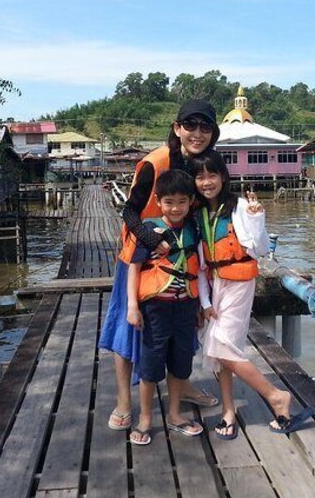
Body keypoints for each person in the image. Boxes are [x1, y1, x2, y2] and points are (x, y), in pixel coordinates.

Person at [99, 99, 220, 432]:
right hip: (142, 257)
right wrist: (151, 241)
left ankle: (185, 387)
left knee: (183, 330)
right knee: (129, 329)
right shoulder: (156, 162)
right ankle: (125, 401)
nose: (197, 133)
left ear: (213, 132)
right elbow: (129, 212)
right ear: (177, 127)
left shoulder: (204, 165)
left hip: (184, 261)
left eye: (205, 127)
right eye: (190, 125)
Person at [188, 150, 315, 439]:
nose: (206, 181)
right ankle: (228, 412)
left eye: (212, 174)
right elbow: (201, 265)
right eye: (200, 176)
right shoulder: (198, 214)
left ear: (223, 175)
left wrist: (258, 220)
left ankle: (275, 396)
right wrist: (205, 302)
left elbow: (260, 250)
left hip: (239, 283)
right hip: (214, 283)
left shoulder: (241, 206)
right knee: (223, 350)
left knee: (220, 345)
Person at [126, 170, 207, 445]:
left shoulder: (193, 229)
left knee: (181, 363)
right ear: (158, 201)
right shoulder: (149, 230)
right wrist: (132, 306)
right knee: (150, 364)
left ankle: (175, 414)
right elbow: (134, 269)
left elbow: (198, 268)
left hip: (185, 307)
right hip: (156, 310)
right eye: (169, 202)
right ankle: (145, 418)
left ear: (191, 202)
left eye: (182, 202)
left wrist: (198, 307)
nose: (175, 208)